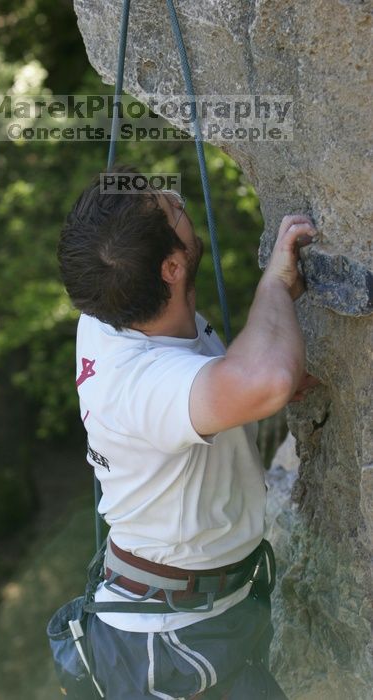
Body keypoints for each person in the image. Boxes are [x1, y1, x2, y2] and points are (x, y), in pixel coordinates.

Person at [56, 172, 318, 699]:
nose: (178, 200)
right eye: (172, 211)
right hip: (168, 646)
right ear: (172, 268)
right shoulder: (139, 385)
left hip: (186, 615)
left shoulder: (108, 308)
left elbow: (232, 388)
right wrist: (272, 286)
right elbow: (266, 382)